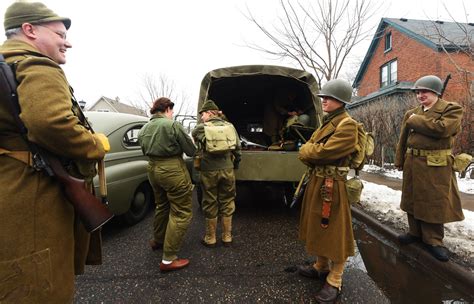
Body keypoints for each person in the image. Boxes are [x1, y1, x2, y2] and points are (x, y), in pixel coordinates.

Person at [0, 2, 110, 302]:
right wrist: (95, 145)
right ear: (29, 30)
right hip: (35, 196)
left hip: (9, 192)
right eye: (60, 34)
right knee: (42, 285)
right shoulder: (36, 65)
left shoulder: (7, 66)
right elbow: (50, 123)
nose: (68, 41)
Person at [297, 79, 358, 303]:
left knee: (335, 232)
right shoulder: (328, 122)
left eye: (329, 97)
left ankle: (335, 278)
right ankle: (321, 266)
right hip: (319, 181)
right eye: (323, 97)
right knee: (317, 226)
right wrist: (311, 150)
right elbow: (313, 149)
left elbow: (320, 153)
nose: (324, 100)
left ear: (341, 101)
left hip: (333, 184)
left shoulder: (346, 124)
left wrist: (308, 150)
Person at [395, 75, 464, 262]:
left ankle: (433, 240)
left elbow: (443, 129)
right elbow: (403, 138)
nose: (420, 95)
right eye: (417, 92)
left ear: (435, 91)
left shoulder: (451, 109)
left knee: (433, 201)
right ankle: (415, 233)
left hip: (436, 165)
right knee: (411, 198)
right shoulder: (413, 112)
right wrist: (400, 159)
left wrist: (415, 119)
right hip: (412, 161)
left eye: (424, 91)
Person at [138, 97, 196, 272]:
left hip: (152, 169)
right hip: (172, 170)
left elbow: (143, 149)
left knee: (162, 206)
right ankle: (169, 259)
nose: (172, 114)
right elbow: (191, 151)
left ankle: (158, 240)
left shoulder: (144, 128)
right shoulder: (172, 125)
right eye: (172, 111)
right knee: (181, 211)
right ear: (168, 109)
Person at [192, 100, 241, 247]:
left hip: (209, 170)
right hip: (227, 168)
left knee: (210, 200)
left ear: (209, 113)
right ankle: (227, 237)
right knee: (227, 200)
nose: (202, 118)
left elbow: (195, 139)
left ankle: (210, 238)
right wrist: (235, 164)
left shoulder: (200, 129)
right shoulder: (230, 126)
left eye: (203, 114)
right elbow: (237, 149)